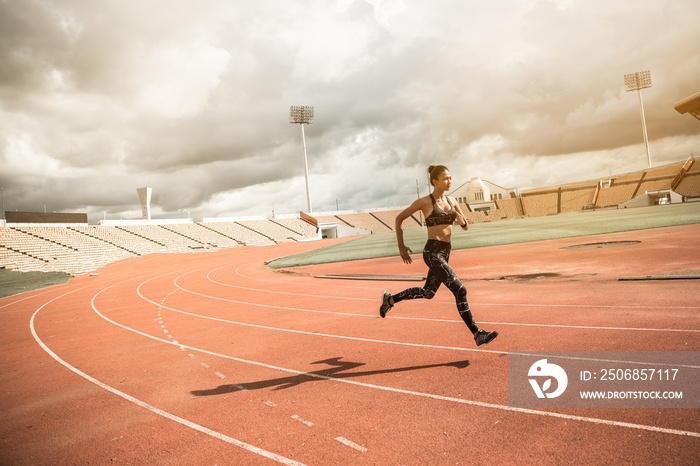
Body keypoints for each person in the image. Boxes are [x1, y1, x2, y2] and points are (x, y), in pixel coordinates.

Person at [379, 165, 498, 347]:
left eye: (450, 178)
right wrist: (401, 245)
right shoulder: (425, 202)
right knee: (460, 290)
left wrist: (462, 220)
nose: (449, 181)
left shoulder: (452, 201)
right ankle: (477, 334)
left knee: (428, 293)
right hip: (432, 252)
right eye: (446, 178)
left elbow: (465, 226)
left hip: (445, 251)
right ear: (435, 181)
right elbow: (399, 219)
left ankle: (390, 300)